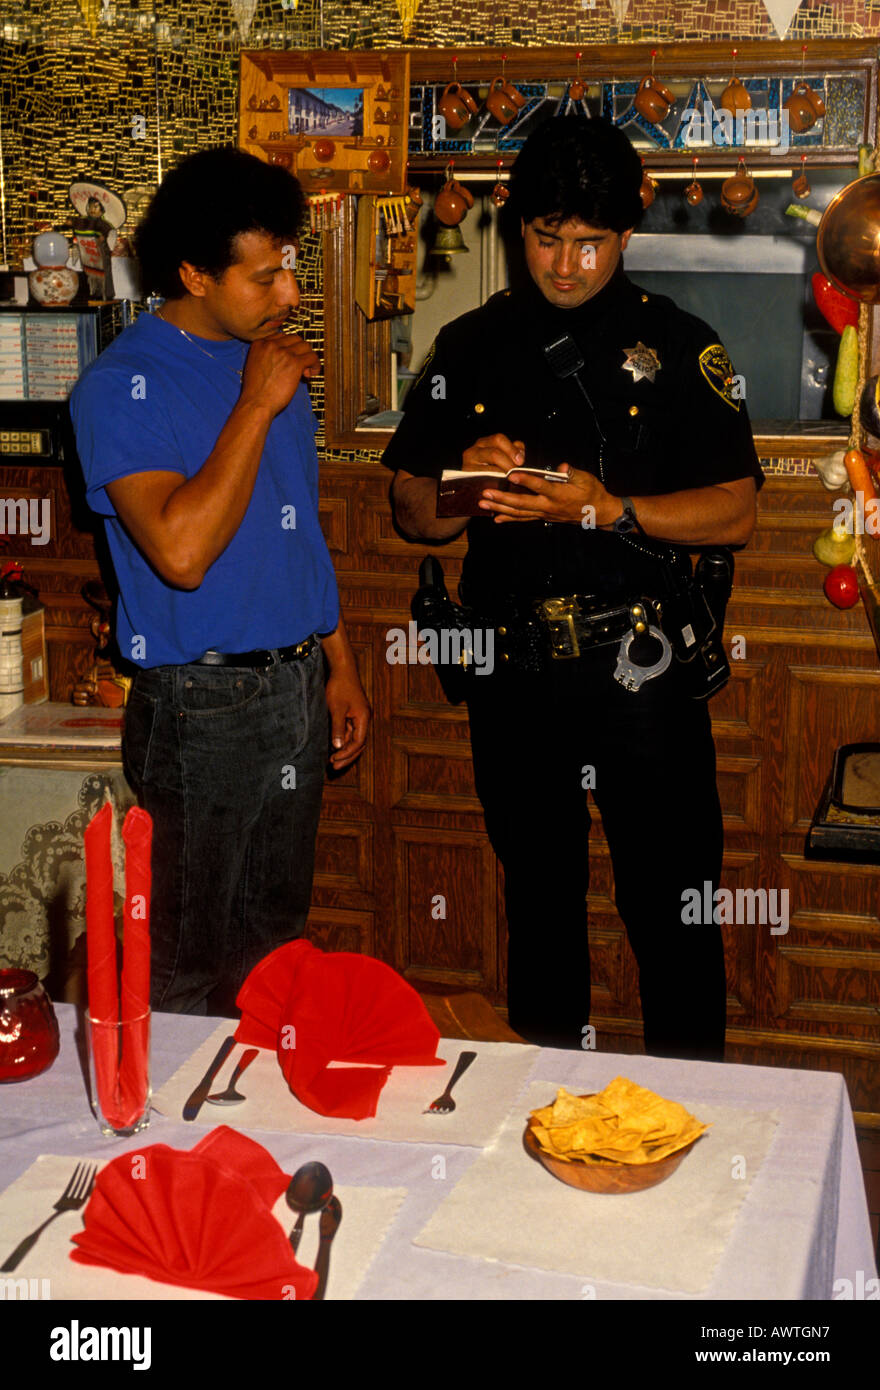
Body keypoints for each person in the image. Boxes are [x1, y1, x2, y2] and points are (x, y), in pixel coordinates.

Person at [382, 117, 763, 1060]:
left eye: (588, 241)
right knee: (539, 910)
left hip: (643, 673)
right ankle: (542, 1138)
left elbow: (735, 512)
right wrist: (463, 483)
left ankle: (692, 1132)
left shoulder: (678, 344)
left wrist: (608, 510)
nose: (565, 263)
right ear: (517, 228)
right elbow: (409, 511)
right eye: (545, 238)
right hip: (515, 677)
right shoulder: (470, 345)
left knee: (675, 912)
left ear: (627, 232)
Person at [71, 146, 370, 1015]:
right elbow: (181, 552)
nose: (290, 296)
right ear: (195, 274)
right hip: (201, 704)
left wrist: (337, 661)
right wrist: (254, 405)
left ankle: (251, 1143)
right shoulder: (122, 384)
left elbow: (296, 529)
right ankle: (159, 1142)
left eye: (291, 272)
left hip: (295, 686)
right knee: (182, 966)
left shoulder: (270, 367)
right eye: (267, 277)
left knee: (275, 954)